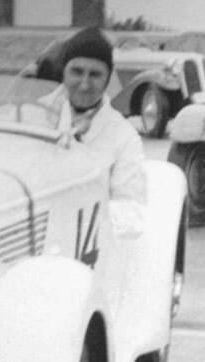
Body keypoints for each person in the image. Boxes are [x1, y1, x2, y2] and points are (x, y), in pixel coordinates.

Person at [39, 27, 146, 236]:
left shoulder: (124, 137)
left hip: (87, 240)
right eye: (77, 72)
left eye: (95, 75)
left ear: (107, 80)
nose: (85, 84)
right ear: (63, 72)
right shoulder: (32, 114)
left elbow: (130, 220)